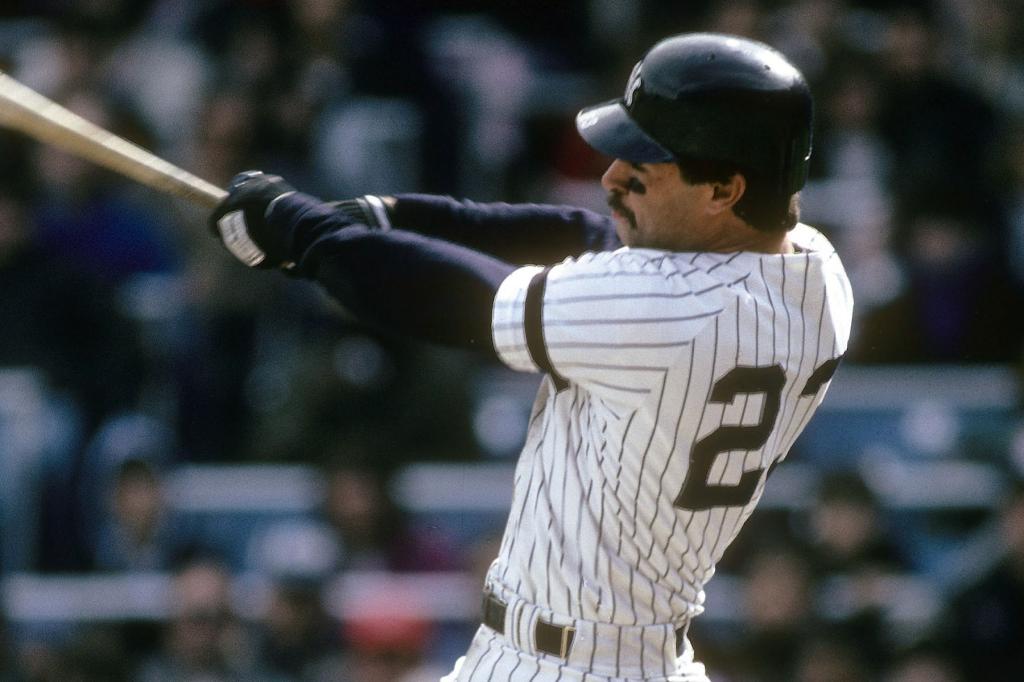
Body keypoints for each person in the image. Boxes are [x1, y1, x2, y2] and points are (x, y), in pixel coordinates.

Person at [208, 32, 853, 682]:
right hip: (611, 650)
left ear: (723, 190)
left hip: (568, 664)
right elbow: (589, 235)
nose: (611, 177)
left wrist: (306, 236)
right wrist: (389, 215)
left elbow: (453, 300)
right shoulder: (815, 274)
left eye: (643, 168)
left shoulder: (666, 310)